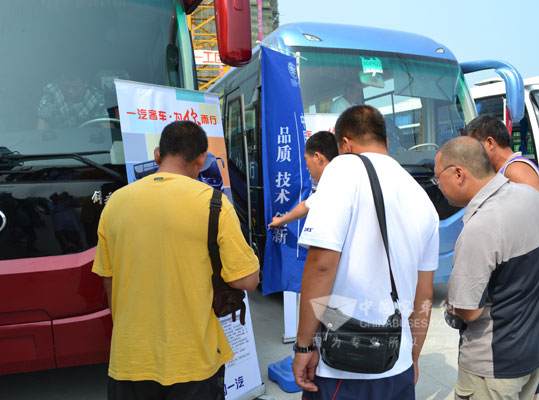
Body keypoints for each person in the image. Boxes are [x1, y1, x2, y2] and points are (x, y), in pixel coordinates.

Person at [92, 121, 259, 400]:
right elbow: (247, 281)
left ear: (158, 154)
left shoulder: (116, 203)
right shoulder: (215, 204)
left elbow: (108, 280)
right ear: (202, 159)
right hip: (193, 359)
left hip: (130, 358)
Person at [293, 105, 439, 399]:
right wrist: (412, 357)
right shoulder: (421, 196)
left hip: (345, 364)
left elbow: (321, 265)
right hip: (396, 362)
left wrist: (304, 346)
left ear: (345, 144)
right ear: (386, 141)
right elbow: (424, 293)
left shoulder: (344, 168)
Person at [434, 136, 539, 400]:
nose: (438, 186)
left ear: (458, 173)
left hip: (493, 366)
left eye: (438, 178)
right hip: (537, 349)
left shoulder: (481, 227)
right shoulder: (531, 196)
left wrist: (451, 304)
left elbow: (468, 311)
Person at [464, 114, 539, 201]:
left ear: (490, 142)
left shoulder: (515, 169)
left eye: (473, 148)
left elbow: (533, 207)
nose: (471, 155)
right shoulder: (507, 170)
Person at [268, 130, 338, 228]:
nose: (307, 168)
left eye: (306, 159)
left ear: (317, 157)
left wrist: (281, 220)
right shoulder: (336, 180)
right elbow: (306, 206)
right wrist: (281, 221)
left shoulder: (333, 187)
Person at [37, 72, 108, 129]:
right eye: (66, 87)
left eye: (75, 87)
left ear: (85, 83)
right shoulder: (52, 92)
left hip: (87, 139)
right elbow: (43, 122)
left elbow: (105, 124)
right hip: (59, 138)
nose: (70, 91)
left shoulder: (96, 96)